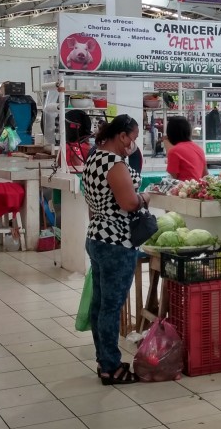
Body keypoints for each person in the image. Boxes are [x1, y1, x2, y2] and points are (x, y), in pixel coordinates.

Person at [82, 114, 150, 385]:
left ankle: (105, 361)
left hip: (97, 236)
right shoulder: (114, 163)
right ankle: (111, 367)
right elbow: (130, 203)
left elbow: (95, 202)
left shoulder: (93, 159)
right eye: (132, 139)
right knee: (110, 307)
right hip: (117, 242)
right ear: (122, 135)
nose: (132, 145)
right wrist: (145, 197)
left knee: (100, 305)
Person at [163, 116, 208, 181]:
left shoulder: (174, 151)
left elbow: (173, 178)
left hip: (183, 189)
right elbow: (205, 175)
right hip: (199, 188)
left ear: (170, 133)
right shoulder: (199, 149)